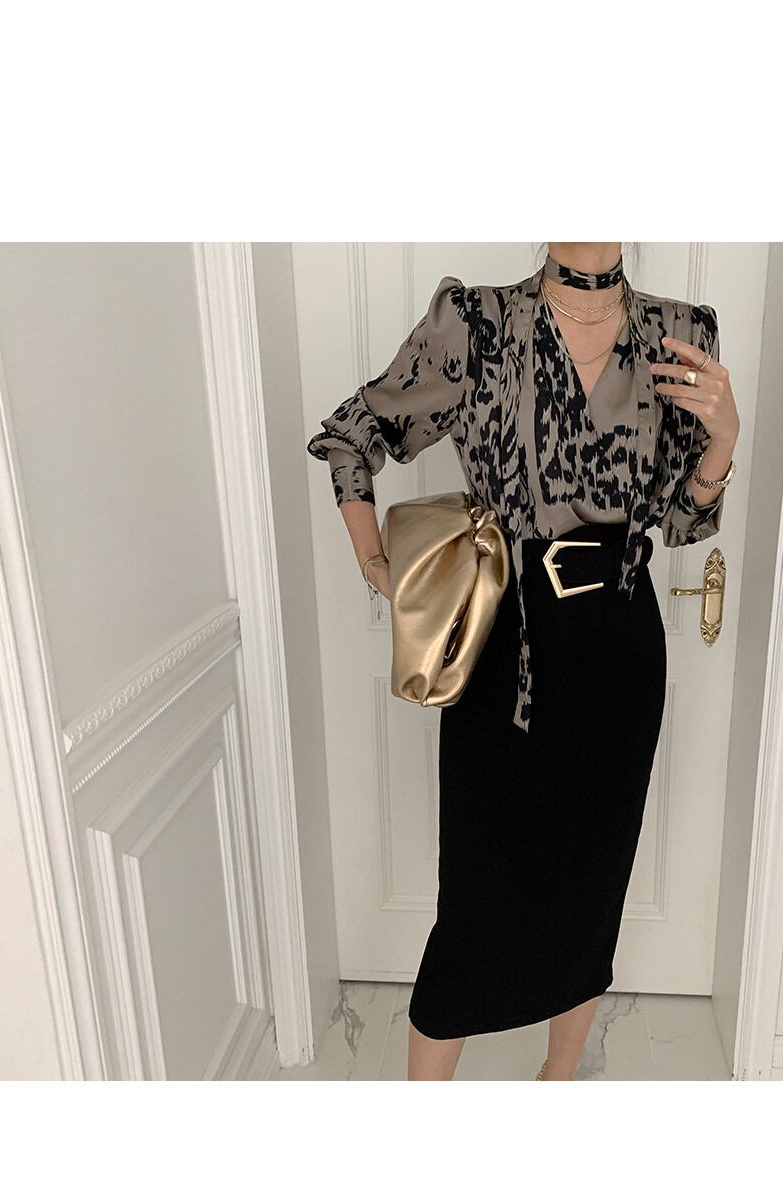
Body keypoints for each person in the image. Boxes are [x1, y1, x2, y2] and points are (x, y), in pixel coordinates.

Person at [308, 243, 741, 1080]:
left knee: (592, 890)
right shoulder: (477, 323)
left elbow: (684, 523)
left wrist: (724, 436)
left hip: (621, 650)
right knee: (476, 901)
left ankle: (557, 1081)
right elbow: (351, 436)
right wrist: (381, 569)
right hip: (508, 651)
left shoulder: (680, 335)